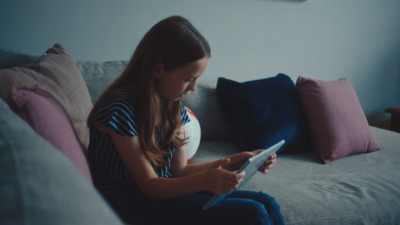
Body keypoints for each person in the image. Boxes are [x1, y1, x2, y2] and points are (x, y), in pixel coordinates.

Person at [87, 15, 285, 225]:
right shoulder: (119, 110)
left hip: (163, 192)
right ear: (158, 69)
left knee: (267, 202)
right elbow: (149, 185)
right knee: (252, 213)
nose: (193, 88)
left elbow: (179, 170)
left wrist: (240, 160)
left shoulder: (172, 104)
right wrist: (204, 181)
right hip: (129, 203)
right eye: (189, 79)